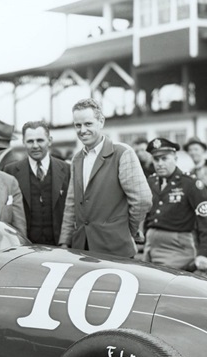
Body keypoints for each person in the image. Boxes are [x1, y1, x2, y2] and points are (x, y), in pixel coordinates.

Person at [59, 98, 152, 258]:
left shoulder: (122, 153)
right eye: (78, 125)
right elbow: (71, 203)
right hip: (81, 248)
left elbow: (142, 200)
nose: (82, 130)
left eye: (88, 124)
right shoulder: (76, 159)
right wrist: (64, 241)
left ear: (101, 122)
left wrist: (127, 230)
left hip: (115, 249)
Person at [142, 138, 207, 270]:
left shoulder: (189, 183)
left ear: (175, 159)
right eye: (156, 159)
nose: (160, 164)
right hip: (150, 246)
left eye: (164, 159)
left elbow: (206, 220)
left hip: (176, 248)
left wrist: (204, 253)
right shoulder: (151, 182)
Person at [3, 120, 70, 245]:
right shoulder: (10, 171)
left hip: (59, 247)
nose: (35, 146)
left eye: (40, 140)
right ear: (23, 142)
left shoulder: (67, 170)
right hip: (26, 247)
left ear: (49, 140)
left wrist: (66, 243)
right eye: (30, 141)